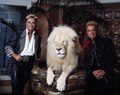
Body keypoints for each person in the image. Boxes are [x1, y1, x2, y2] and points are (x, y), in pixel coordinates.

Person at [5, 14, 41, 95]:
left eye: (33, 23)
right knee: (17, 86)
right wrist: (15, 55)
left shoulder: (37, 36)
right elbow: (8, 46)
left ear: (35, 24)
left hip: (31, 63)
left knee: (30, 86)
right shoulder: (18, 33)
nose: (31, 25)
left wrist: (37, 61)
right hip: (19, 62)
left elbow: (38, 49)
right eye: (29, 22)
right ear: (26, 23)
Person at [82, 21, 117, 95]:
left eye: (94, 30)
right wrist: (93, 72)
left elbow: (113, 59)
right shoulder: (86, 45)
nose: (92, 33)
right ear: (87, 32)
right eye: (89, 30)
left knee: (108, 89)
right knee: (88, 88)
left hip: (106, 72)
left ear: (97, 30)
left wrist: (105, 71)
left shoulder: (107, 42)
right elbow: (85, 62)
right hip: (93, 73)